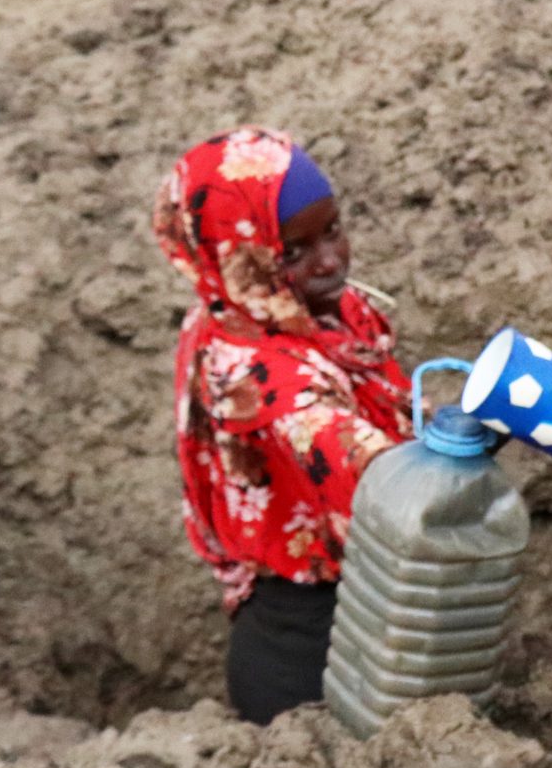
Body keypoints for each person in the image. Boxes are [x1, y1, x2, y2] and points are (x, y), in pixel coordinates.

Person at [151, 127, 411, 725]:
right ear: (238, 259)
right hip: (308, 653)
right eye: (291, 251)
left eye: (334, 230)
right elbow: (378, 474)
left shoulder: (303, 311)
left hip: (368, 615)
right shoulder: (257, 377)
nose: (330, 260)